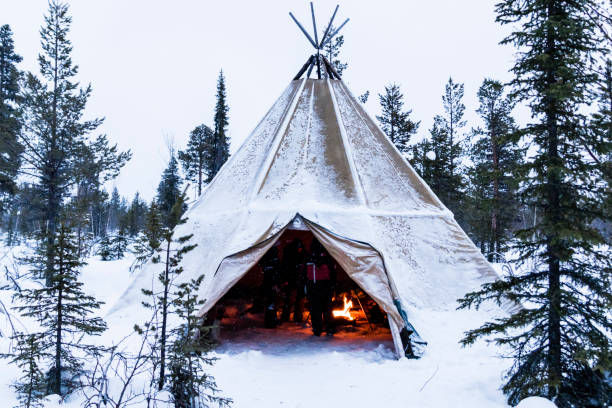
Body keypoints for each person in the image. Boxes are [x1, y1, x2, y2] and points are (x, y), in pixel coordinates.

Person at [306, 239, 336, 336]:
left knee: (321, 309)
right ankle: (323, 329)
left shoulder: (314, 258)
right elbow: (333, 272)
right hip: (318, 285)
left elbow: (332, 272)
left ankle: (321, 328)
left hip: (319, 285)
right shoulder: (323, 258)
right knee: (322, 309)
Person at [280, 238, 307, 322]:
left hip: (298, 279)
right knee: (289, 299)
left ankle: (297, 317)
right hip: (292, 279)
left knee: (298, 299)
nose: (300, 249)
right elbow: (285, 267)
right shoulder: (290, 255)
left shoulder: (301, 254)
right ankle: (287, 316)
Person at [259, 243, 281, 328]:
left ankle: (271, 321)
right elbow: (276, 270)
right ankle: (271, 322)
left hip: (268, 281)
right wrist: (275, 283)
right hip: (271, 282)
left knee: (270, 302)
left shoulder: (266, 257)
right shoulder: (273, 259)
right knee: (271, 302)